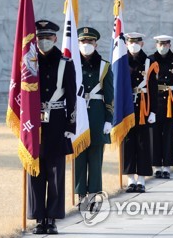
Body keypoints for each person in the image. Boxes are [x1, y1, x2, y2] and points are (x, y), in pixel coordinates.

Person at [28, 19, 76, 235]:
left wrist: (70, 125)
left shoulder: (65, 62)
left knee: (55, 173)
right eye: (40, 37)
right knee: (35, 171)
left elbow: (72, 96)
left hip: (56, 121)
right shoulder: (29, 61)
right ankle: (39, 218)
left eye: (48, 37)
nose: (44, 41)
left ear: (55, 38)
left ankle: (52, 218)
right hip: (34, 123)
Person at [74, 26, 114, 199]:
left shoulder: (104, 66)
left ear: (96, 44)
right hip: (79, 115)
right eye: (83, 41)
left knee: (96, 158)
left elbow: (109, 95)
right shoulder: (72, 64)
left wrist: (109, 119)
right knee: (79, 157)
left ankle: (94, 192)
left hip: (97, 115)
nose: (86, 44)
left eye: (90, 41)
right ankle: (80, 193)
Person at [122, 32, 156, 193]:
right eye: (130, 42)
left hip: (144, 108)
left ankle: (141, 179)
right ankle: (130, 179)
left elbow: (154, 89)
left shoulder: (150, 62)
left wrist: (154, 111)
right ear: (126, 44)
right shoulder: (121, 62)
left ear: (142, 44)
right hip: (127, 109)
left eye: (136, 42)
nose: (133, 45)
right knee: (128, 143)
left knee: (143, 144)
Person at [148, 35, 173, 179]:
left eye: (165, 44)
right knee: (155, 135)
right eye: (160, 44)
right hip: (154, 103)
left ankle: (167, 166)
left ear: (170, 45)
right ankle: (157, 166)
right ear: (156, 45)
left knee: (169, 136)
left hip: (171, 103)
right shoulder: (150, 60)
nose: (162, 46)